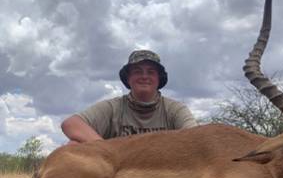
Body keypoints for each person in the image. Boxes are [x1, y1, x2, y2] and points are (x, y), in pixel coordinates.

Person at [61, 50, 197, 144]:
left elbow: (196, 138)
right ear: (128, 78)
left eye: (150, 72)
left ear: (159, 79)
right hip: (118, 169)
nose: (144, 76)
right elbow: (71, 124)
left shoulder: (175, 109)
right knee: (74, 145)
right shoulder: (113, 107)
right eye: (138, 71)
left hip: (163, 170)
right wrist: (107, 152)